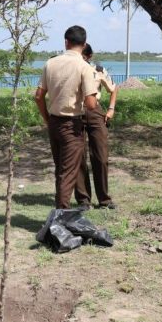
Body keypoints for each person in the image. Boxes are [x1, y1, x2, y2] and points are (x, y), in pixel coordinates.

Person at [34, 26, 99, 209]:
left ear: (66, 42)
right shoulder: (84, 67)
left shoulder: (50, 63)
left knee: (60, 169)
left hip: (54, 121)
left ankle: (61, 212)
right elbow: (91, 104)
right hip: (72, 124)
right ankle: (61, 216)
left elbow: (38, 96)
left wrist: (47, 119)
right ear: (84, 44)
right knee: (68, 172)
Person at [74, 43, 118, 210]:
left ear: (89, 57)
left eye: (83, 57)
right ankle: (84, 200)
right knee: (78, 156)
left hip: (95, 111)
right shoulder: (71, 69)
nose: (81, 60)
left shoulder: (98, 70)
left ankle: (104, 200)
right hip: (75, 112)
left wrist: (111, 109)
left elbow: (113, 89)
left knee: (100, 155)